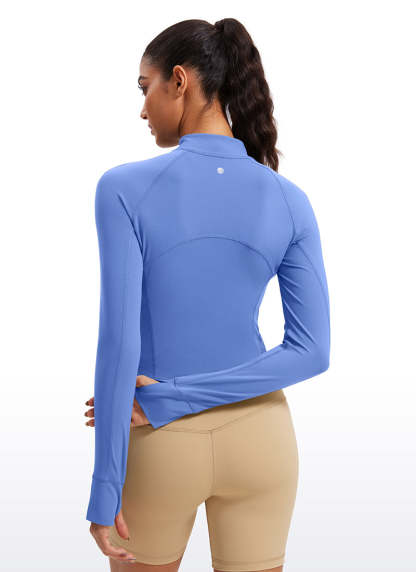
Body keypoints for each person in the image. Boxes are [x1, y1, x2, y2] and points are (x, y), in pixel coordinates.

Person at [84, 17, 331, 572]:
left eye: (145, 87)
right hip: (263, 440)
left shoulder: (123, 188)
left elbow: (119, 344)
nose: (143, 109)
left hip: (157, 434)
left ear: (179, 81)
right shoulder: (289, 199)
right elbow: (312, 352)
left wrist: (105, 489)